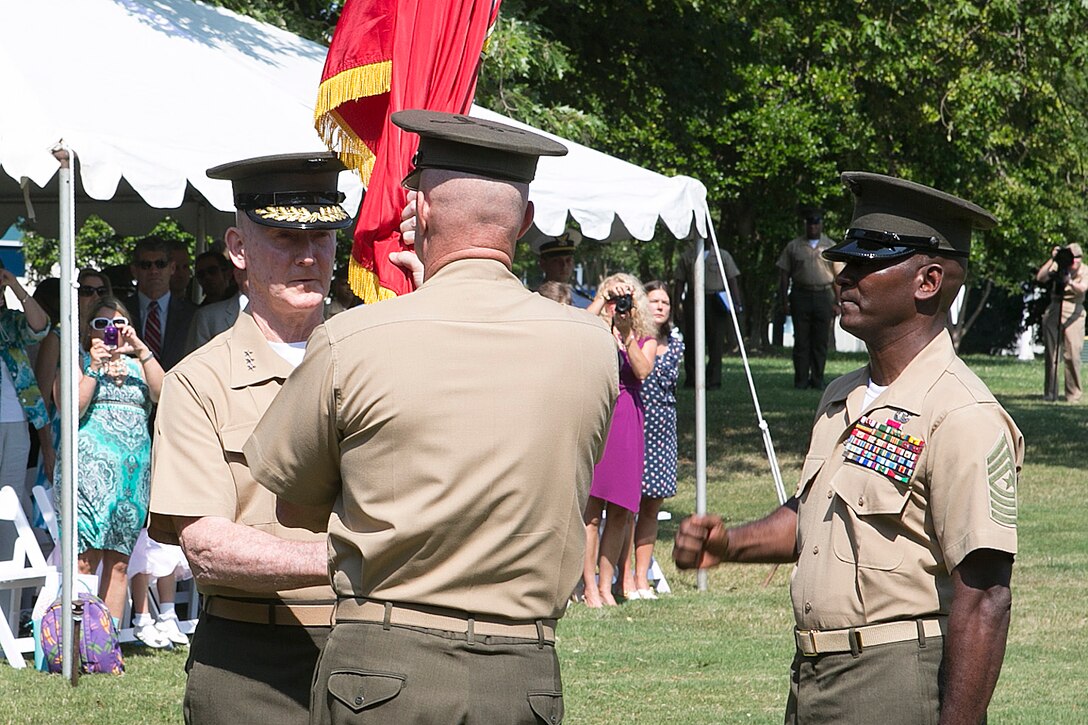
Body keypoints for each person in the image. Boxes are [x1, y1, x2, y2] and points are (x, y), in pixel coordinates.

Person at [243, 110, 618, 725]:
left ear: (417, 208)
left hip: (385, 666)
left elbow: (295, 508)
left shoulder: (353, 339)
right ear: (525, 222)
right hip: (522, 673)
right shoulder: (592, 346)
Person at [674, 172, 1023, 724]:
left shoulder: (961, 414)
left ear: (927, 281)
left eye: (866, 264)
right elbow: (816, 514)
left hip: (893, 680)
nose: (844, 277)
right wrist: (732, 543)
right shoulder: (845, 395)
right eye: (845, 261)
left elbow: (985, 598)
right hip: (814, 677)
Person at [148, 152, 351, 724]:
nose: (309, 255)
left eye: (324, 235)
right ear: (238, 248)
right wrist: (352, 560)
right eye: (285, 237)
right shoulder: (200, 381)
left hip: (372, 651)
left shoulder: (376, 363)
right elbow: (206, 549)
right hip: (252, 662)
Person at [59, 296, 163, 624]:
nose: (110, 331)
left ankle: (106, 643)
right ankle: (77, 640)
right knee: (85, 559)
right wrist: (93, 367)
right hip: (88, 474)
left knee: (119, 563)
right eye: (101, 324)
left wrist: (140, 348)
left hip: (133, 476)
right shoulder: (74, 361)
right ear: (88, 330)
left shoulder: (138, 365)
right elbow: (72, 409)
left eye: (118, 323)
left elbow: (164, 394)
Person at [583, 273, 658, 606]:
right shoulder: (593, 330)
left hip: (627, 418)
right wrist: (602, 297)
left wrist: (627, 338)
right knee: (591, 511)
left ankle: (606, 583)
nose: (620, 305)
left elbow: (642, 372)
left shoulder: (644, 337)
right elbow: (576, 333)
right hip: (599, 415)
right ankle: (588, 586)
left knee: (620, 511)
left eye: (625, 298)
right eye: (615, 298)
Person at [620, 280, 683, 600]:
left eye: (665, 303)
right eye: (655, 301)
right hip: (634, 424)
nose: (660, 306)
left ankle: (642, 576)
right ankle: (626, 576)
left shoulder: (676, 342)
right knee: (628, 506)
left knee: (651, 506)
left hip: (663, 431)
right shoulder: (628, 339)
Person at [0, 265, 51, 524]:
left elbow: (40, 327)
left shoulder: (10, 320)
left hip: (16, 420)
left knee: (11, 498)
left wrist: (15, 286)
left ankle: (7, 562)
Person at [777, 210, 839, 389]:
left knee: (820, 341)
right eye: (810, 223)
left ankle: (818, 378)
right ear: (805, 225)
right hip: (800, 294)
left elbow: (838, 276)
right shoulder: (794, 246)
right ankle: (801, 380)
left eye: (816, 223)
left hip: (824, 295)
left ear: (821, 224)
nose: (813, 226)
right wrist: (784, 301)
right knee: (802, 340)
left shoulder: (830, 246)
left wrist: (838, 301)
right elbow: (783, 274)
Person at [673, 240, 742, 388]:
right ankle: (692, 378)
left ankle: (714, 379)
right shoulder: (688, 256)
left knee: (716, 341)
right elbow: (679, 282)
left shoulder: (722, 256)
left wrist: (736, 303)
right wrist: (677, 305)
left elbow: (732, 279)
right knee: (692, 341)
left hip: (716, 299)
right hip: (694, 298)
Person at [130, 236, 197, 371]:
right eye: (146, 265)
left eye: (160, 264)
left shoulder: (193, 315)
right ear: (134, 271)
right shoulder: (121, 312)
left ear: (172, 268)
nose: (154, 271)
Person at [1035, 243, 1086, 403]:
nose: (1071, 263)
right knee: (1051, 354)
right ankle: (1050, 394)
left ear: (1080, 258)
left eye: (1074, 259)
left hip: (1075, 310)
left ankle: (1073, 395)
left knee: (1072, 354)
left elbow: (1082, 289)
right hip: (1055, 306)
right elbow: (1040, 278)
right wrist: (1053, 259)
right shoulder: (1058, 265)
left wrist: (1069, 281)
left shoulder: (1085, 270)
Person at [531, 229, 594, 307]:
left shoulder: (585, 303)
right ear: (543, 264)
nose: (564, 265)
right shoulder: (532, 299)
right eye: (556, 261)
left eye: (568, 260)